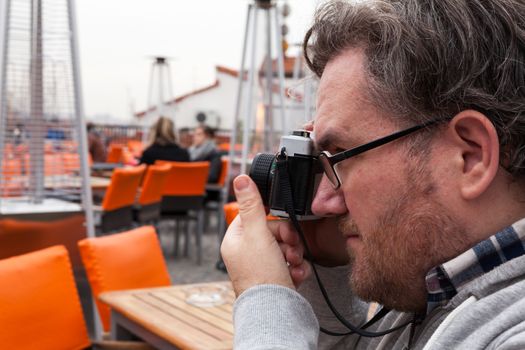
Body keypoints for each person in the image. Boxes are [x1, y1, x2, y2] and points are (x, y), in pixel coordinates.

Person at [220, 0, 525, 349]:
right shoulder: (433, 284)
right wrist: (325, 266)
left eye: (341, 156)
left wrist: (267, 305)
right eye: (323, 162)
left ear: (469, 156)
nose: (323, 201)